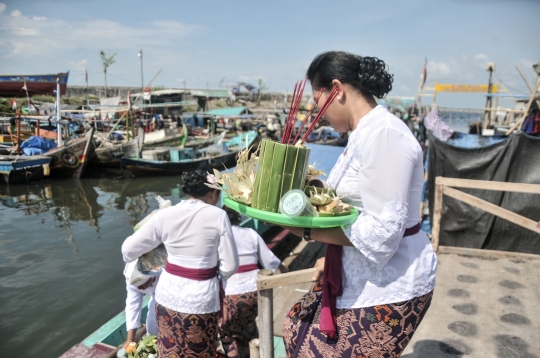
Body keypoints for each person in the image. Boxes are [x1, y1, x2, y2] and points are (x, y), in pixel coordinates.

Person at [281, 51, 437, 357]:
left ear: (336, 90)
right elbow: (350, 202)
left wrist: (305, 231)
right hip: (357, 267)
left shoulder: (385, 135)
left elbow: (381, 234)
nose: (318, 112)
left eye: (318, 101)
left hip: (392, 281)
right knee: (296, 328)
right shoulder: (362, 133)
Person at [122, 169, 239, 357]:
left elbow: (127, 251)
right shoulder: (218, 216)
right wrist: (217, 275)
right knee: (199, 351)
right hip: (200, 298)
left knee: (171, 350)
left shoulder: (165, 215)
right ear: (213, 192)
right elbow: (231, 265)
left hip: (167, 296)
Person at [219, 208, 286, 358]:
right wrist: (282, 267)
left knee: (228, 331)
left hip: (232, 292)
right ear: (238, 220)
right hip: (253, 289)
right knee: (249, 326)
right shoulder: (250, 233)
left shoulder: (220, 237)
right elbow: (268, 259)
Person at [122, 260, 160, 349]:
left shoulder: (165, 276)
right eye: (136, 286)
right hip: (155, 300)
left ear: (151, 276)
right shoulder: (132, 280)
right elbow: (132, 306)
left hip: (174, 301)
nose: (139, 288)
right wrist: (130, 340)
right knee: (152, 329)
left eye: (142, 284)